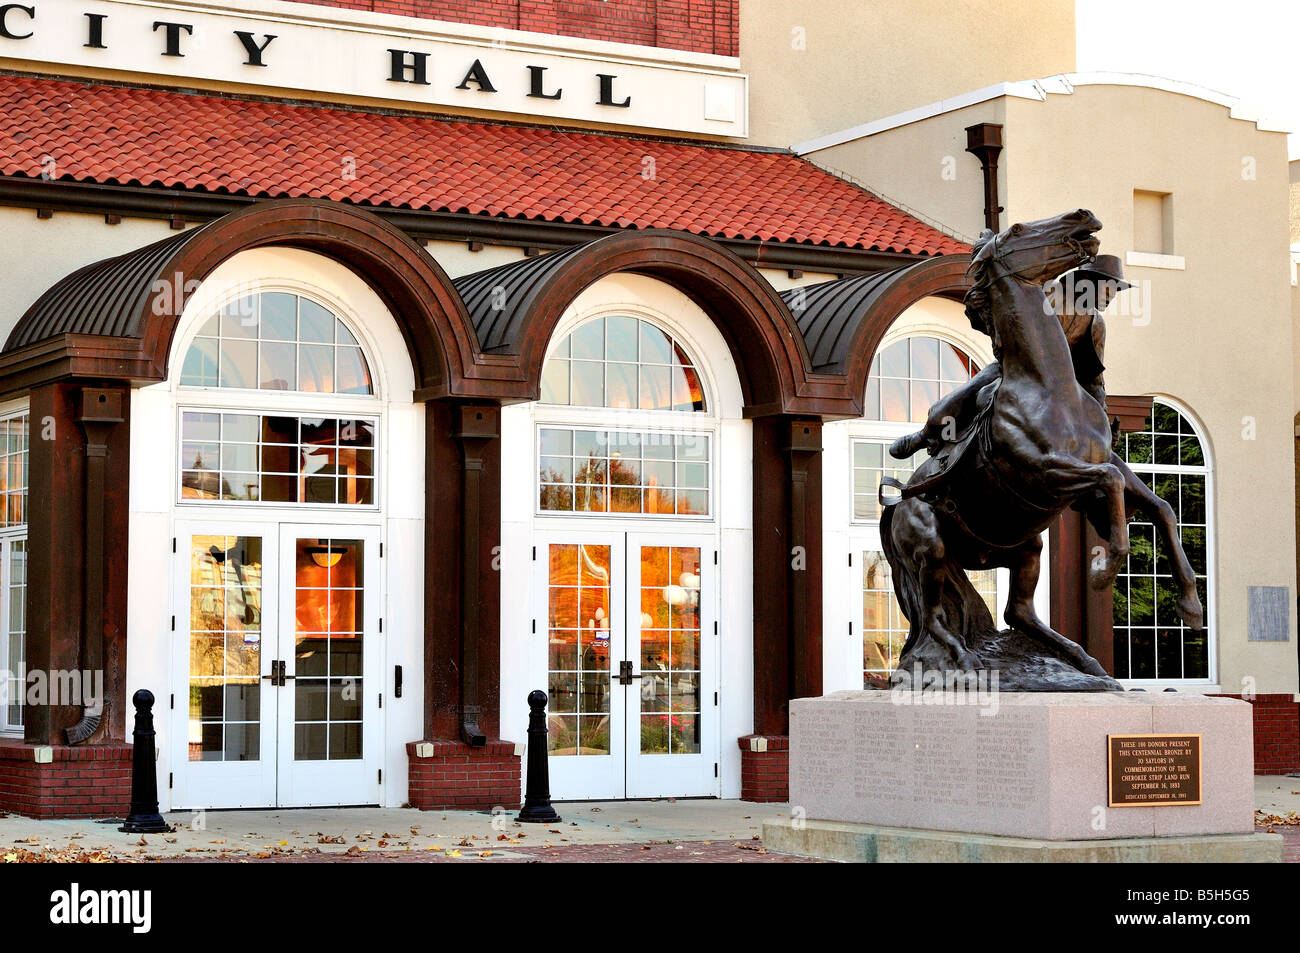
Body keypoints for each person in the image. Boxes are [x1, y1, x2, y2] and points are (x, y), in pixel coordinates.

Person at [888, 254, 1131, 463]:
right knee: (964, 395)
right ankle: (924, 434)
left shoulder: (1096, 325)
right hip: (1013, 369)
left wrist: (1102, 421)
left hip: (1058, 388)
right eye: (1109, 288)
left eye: (1116, 291)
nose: (1112, 296)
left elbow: (1093, 378)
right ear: (1087, 282)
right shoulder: (1049, 294)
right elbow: (1007, 317)